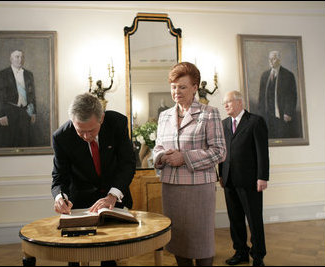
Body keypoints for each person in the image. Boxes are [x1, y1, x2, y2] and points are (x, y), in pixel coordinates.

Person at [153, 62, 226, 266]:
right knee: (178, 241)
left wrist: (184, 157)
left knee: (201, 243)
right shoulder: (164, 116)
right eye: (174, 87)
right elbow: (157, 147)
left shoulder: (209, 113)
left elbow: (219, 152)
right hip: (171, 188)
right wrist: (162, 157)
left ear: (195, 87)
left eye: (182, 87)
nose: (177, 92)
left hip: (199, 189)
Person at [51, 93, 136, 266]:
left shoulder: (116, 123)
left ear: (101, 118)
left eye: (91, 130)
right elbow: (59, 177)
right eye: (80, 131)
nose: (86, 136)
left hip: (113, 200)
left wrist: (113, 195)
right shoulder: (61, 137)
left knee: (111, 256)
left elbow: (127, 163)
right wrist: (60, 197)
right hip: (80, 204)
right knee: (77, 256)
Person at [219, 90, 269, 266]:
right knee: (235, 219)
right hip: (229, 180)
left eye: (228, 102)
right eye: (224, 102)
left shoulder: (255, 122)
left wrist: (262, 177)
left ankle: (258, 256)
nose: (225, 105)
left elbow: (262, 152)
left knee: (254, 220)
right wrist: (220, 174)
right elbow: (221, 151)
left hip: (250, 181)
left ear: (240, 102)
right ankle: (240, 252)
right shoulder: (224, 124)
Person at [0, 49, 36, 147]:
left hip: (25, 113)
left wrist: (33, 112)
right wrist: (0, 115)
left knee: (25, 142)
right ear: (11, 59)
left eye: (22, 57)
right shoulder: (1, 75)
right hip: (8, 113)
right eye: (17, 57)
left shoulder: (29, 74)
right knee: (9, 142)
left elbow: (32, 95)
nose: (20, 59)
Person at [258, 50, 297, 138]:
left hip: (282, 115)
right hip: (267, 116)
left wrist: (288, 112)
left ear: (279, 60)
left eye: (274, 59)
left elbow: (292, 96)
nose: (271, 61)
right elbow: (261, 98)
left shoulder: (288, 75)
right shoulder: (264, 76)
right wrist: (260, 116)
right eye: (269, 59)